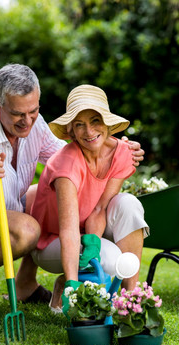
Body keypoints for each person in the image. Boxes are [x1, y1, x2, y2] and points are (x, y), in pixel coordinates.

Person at [0, 64, 144, 316]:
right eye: (18, 114)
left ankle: (25, 283)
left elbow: (69, 157)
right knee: (27, 229)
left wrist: (112, 147)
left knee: (41, 191)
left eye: (33, 111)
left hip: (3, 214)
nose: (27, 121)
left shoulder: (34, 126)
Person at [30, 84, 149, 313]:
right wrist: (73, 286)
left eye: (95, 121)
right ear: (71, 132)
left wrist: (92, 242)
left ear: (107, 123)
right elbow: (68, 229)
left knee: (129, 204)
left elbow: (100, 208)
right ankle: (66, 282)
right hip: (51, 241)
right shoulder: (66, 163)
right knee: (112, 259)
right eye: (79, 125)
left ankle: (129, 298)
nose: (88, 131)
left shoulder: (121, 153)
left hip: (90, 227)